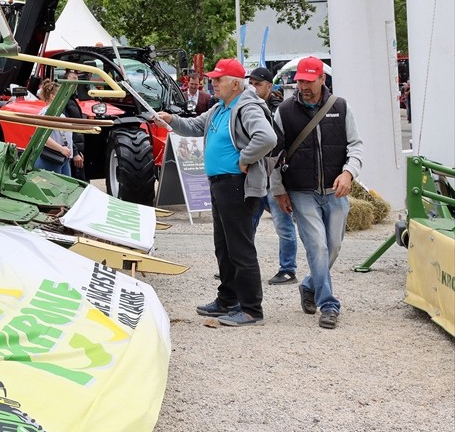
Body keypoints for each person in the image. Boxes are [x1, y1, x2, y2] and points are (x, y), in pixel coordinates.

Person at [156, 58, 276, 327]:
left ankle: (251, 309)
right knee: (224, 247)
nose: (213, 83)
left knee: (240, 248)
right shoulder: (220, 108)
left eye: (218, 79)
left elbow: (267, 138)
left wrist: (245, 158)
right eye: (213, 79)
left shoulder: (247, 107)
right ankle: (227, 300)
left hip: (236, 185)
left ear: (235, 84)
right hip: (222, 184)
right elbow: (194, 127)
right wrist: (171, 120)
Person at [269, 56, 364, 329]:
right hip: (301, 191)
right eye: (300, 81)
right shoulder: (284, 111)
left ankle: (310, 284)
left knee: (333, 246)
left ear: (323, 79)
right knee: (318, 247)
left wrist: (349, 173)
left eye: (309, 81)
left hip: (335, 192)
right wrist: (278, 190)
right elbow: (273, 154)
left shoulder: (341, 107)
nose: (303, 86)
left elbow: (356, 145)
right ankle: (329, 305)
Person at [247, 66, 297, 285]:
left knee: (283, 226)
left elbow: (280, 143)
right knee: (247, 224)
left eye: (258, 84)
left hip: (274, 175)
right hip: (255, 175)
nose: (253, 88)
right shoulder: (247, 106)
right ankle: (241, 265)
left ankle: (288, 269)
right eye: (251, 84)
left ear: (269, 86)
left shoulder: (279, 110)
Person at [33, 79, 75, 176]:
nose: (64, 99)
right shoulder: (46, 113)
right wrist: (61, 149)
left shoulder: (58, 113)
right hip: (53, 157)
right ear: (52, 96)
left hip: (62, 156)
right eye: (62, 96)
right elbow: (42, 136)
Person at [62, 69, 88, 181]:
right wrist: (75, 152)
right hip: (71, 151)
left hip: (76, 148)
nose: (74, 86)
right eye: (71, 83)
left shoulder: (71, 100)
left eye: (76, 83)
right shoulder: (64, 101)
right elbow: (64, 130)